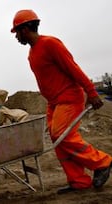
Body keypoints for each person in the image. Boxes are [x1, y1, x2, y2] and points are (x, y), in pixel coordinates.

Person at [10, 9, 112, 194]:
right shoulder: (31, 54)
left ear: (25, 29)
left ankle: (102, 163)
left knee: (61, 135)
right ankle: (78, 181)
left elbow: (73, 68)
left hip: (69, 98)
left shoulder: (50, 44)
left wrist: (91, 92)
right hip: (54, 103)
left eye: (16, 31)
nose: (16, 36)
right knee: (58, 140)